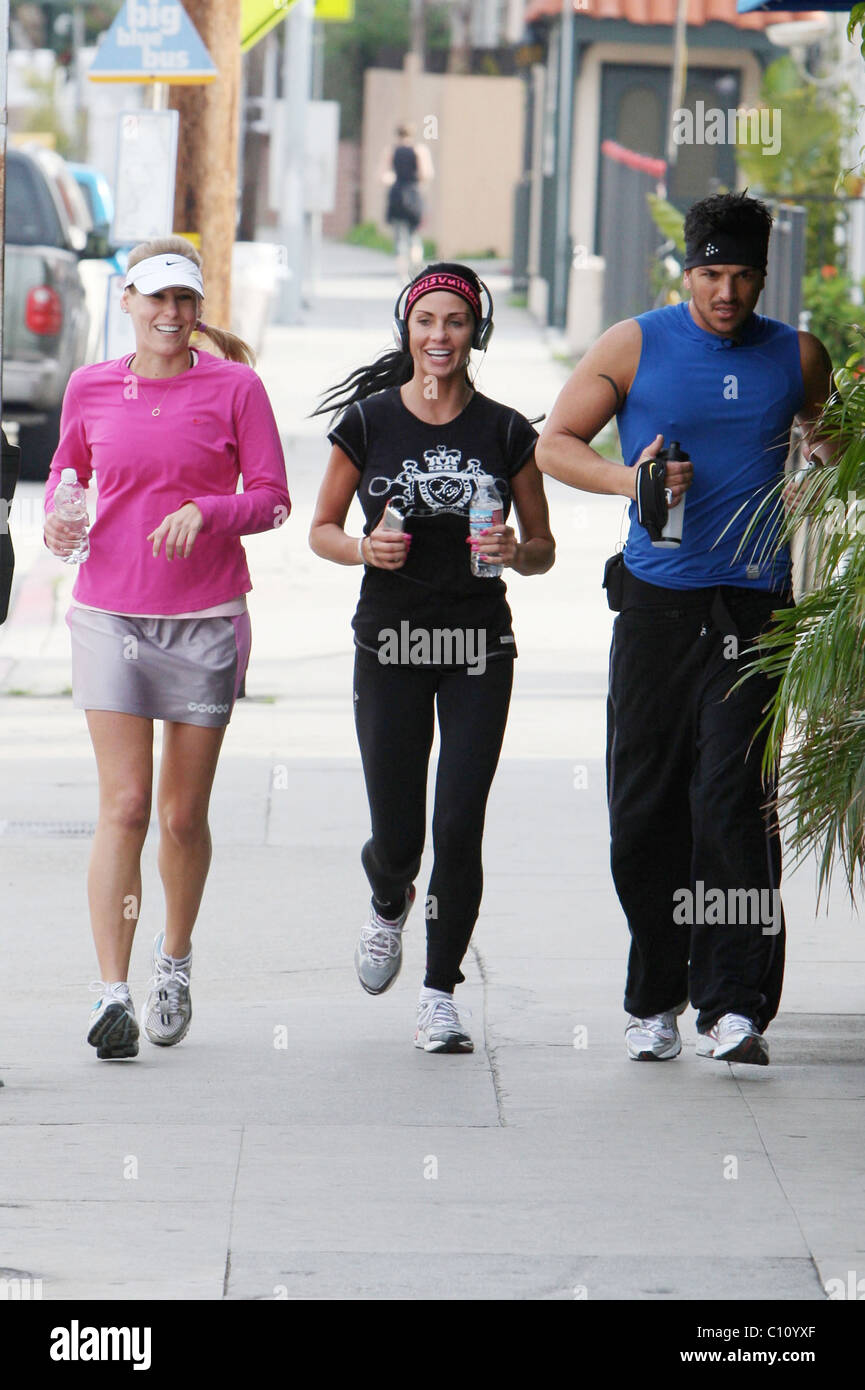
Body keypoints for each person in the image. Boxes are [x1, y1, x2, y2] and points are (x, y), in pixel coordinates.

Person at [536, 192, 833, 1067]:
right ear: (686, 272)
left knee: (733, 806)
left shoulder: (795, 354)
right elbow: (554, 442)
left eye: (743, 275)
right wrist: (626, 482)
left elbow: (823, 432)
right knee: (644, 810)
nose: (726, 292)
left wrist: (818, 458)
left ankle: (734, 1006)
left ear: (762, 276)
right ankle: (654, 995)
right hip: (656, 606)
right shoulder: (634, 343)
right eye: (711, 273)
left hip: (753, 608)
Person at [43, 236, 290, 1061]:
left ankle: (173, 963)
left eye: (185, 300)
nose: (171, 315)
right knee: (125, 806)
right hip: (109, 613)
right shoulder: (88, 386)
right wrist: (59, 520)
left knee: (182, 817)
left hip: (205, 617)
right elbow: (67, 479)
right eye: (156, 299)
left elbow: (271, 499)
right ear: (128, 303)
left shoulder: (236, 388)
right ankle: (113, 993)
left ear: (199, 308)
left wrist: (208, 512)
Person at [309, 263, 555, 1052]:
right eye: (426, 322)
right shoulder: (370, 421)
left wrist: (517, 551)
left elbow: (545, 547)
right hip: (390, 642)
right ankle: (388, 900)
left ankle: (440, 994)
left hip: (478, 644)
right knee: (399, 835)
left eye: (454, 322)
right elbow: (318, 527)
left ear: (473, 332)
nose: (439, 336)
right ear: (405, 330)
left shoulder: (507, 430)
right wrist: (361, 548)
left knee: (458, 824)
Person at [380, 123, 434, 280]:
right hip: (413, 194)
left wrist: (394, 179)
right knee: (414, 237)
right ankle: (416, 274)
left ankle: (402, 274)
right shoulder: (420, 151)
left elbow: (383, 176)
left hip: (397, 194)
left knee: (399, 239)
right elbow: (426, 174)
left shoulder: (390, 150)